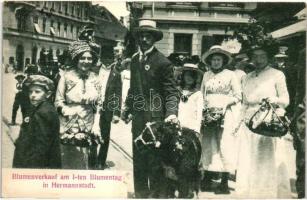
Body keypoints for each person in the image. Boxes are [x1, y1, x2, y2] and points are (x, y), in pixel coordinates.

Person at [122, 20, 179, 198]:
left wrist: (171, 114)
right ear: (138, 38)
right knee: (138, 158)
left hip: (156, 120)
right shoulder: (134, 60)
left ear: (154, 39)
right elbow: (133, 88)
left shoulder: (163, 63)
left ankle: (156, 195)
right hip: (139, 118)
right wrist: (128, 108)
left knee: (155, 160)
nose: (144, 39)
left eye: (148, 36)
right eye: (141, 35)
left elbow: (171, 92)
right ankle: (140, 193)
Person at [236, 44, 292, 198]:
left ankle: (267, 194)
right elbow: (244, 102)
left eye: (262, 56)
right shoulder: (247, 77)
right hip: (249, 122)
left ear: (268, 57)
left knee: (266, 159)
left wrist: (273, 100)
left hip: (267, 122)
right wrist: (239, 121)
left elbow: (286, 100)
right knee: (249, 159)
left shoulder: (277, 75)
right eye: (255, 56)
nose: (258, 60)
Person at [200, 46, 242, 194]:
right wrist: (204, 108)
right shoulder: (206, 75)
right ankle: (208, 176)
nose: (216, 62)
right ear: (209, 61)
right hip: (209, 114)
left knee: (225, 145)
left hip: (226, 114)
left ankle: (224, 181)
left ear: (223, 61)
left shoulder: (230, 75)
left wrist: (224, 103)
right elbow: (202, 93)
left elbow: (238, 96)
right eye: (213, 59)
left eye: (218, 59)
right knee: (209, 144)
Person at [54, 40, 102, 169]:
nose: (86, 61)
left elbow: (99, 104)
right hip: (68, 123)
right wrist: (67, 111)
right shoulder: (66, 77)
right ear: (76, 59)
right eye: (83, 58)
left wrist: (96, 125)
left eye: (89, 58)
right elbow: (58, 101)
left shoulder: (96, 78)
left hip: (89, 124)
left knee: (87, 162)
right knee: (69, 159)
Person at [13, 75, 61, 168]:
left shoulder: (43, 113)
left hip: (35, 163)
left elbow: (41, 146)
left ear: (48, 94)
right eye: (30, 92)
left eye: (37, 92)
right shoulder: (41, 108)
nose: (33, 95)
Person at [97, 43, 124, 169]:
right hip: (93, 107)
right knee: (92, 134)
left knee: (105, 135)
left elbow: (118, 95)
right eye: (105, 58)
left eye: (110, 59)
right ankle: (91, 159)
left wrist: (117, 113)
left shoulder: (116, 74)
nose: (107, 61)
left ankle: (101, 161)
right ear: (101, 58)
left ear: (113, 59)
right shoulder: (94, 71)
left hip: (107, 109)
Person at [291, 47, 305, 199]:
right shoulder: (304, 53)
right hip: (304, 113)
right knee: (303, 154)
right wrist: (296, 116)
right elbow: (300, 90)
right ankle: (302, 192)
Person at [178, 63, 203, 133]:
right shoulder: (177, 91)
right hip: (178, 125)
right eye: (187, 75)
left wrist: (197, 128)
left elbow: (199, 113)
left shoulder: (198, 94)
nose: (189, 78)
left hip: (191, 127)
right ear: (183, 76)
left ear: (195, 78)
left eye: (192, 76)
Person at [274, 46, 297, 117]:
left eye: (281, 58)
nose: (279, 59)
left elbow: (293, 80)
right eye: (278, 58)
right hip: (276, 91)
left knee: (289, 109)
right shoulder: (273, 67)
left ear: (284, 58)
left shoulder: (290, 67)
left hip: (289, 90)